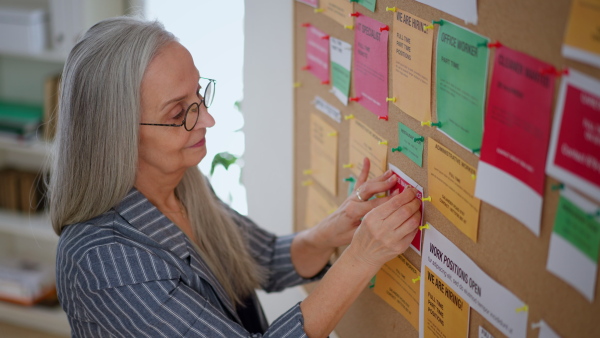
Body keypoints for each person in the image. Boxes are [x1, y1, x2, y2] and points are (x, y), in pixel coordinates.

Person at [49, 17, 421, 338]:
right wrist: (360, 258)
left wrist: (330, 232)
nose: (208, 120)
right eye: (180, 112)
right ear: (117, 134)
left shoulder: (184, 184)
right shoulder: (104, 260)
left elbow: (263, 260)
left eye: (199, 93)